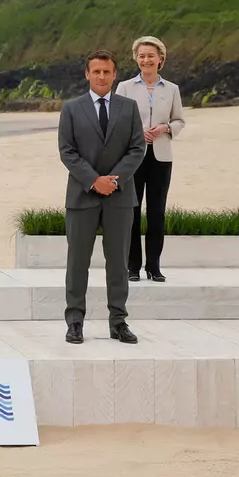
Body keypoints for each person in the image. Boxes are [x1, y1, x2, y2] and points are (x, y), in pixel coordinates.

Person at [57, 50, 146, 345]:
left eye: (107, 72)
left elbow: (137, 149)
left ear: (115, 74)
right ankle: (75, 322)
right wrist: (94, 181)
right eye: (96, 71)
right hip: (82, 196)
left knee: (118, 263)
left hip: (120, 198)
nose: (101, 76)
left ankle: (118, 322)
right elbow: (67, 151)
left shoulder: (129, 108)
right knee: (77, 263)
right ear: (87, 74)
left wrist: (114, 181)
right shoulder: (71, 109)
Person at [114, 36, 186, 282]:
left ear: (160, 59)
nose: (146, 60)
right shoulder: (125, 87)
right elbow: (116, 121)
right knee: (131, 212)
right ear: (136, 59)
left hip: (161, 158)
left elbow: (179, 120)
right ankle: (133, 267)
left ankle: (154, 267)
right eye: (142, 55)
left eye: (151, 56)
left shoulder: (172, 89)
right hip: (132, 157)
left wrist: (166, 128)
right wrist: (136, 133)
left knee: (157, 214)